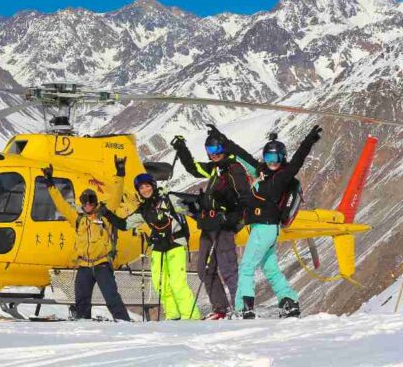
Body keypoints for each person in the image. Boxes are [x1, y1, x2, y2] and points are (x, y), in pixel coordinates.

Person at [220, 125, 322, 319]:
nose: (272, 162)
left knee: (247, 267)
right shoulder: (261, 171)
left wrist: (309, 140)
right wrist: (222, 139)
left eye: (276, 158)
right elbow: (242, 155)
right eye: (268, 158)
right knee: (270, 268)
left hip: (264, 228)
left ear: (282, 158)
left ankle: (244, 308)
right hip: (268, 230)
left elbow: (298, 160)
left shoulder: (282, 177)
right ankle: (289, 301)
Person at [170, 127, 252, 320]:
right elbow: (192, 168)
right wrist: (182, 148)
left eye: (216, 151)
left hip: (223, 227)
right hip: (208, 225)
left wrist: (231, 219)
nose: (213, 155)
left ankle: (242, 308)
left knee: (228, 268)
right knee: (205, 269)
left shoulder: (234, 169)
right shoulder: (216, 168)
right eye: (210, 151)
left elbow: (246, 199)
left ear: (224, 149)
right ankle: (220, 309)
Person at [102, 172, 201, 321]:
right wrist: (107, 214)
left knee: (177, 282)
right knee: (159, 283)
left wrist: (207, 210)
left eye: (147, 186)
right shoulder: (143, 210)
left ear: (153, 186)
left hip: (176, 244)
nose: (145, 190)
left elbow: (193, 206)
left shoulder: (169, 199)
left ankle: (191, 316)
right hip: (158, 248)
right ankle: (173, 315)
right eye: (141, 188)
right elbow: (124, 225)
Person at [43, 156, 130, 321]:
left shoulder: (105, 214)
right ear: (82, 203)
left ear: (95, 203)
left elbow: (116, 196)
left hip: (102, 264)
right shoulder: (77, 218)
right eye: (85, 202)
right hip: (83, 265)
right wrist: (49, 183)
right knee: (81, 301)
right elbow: (60, 204)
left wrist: (120, 172)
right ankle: (83, 325)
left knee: (112, 298)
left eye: (91, 202)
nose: (88, 205)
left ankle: (124, 323)